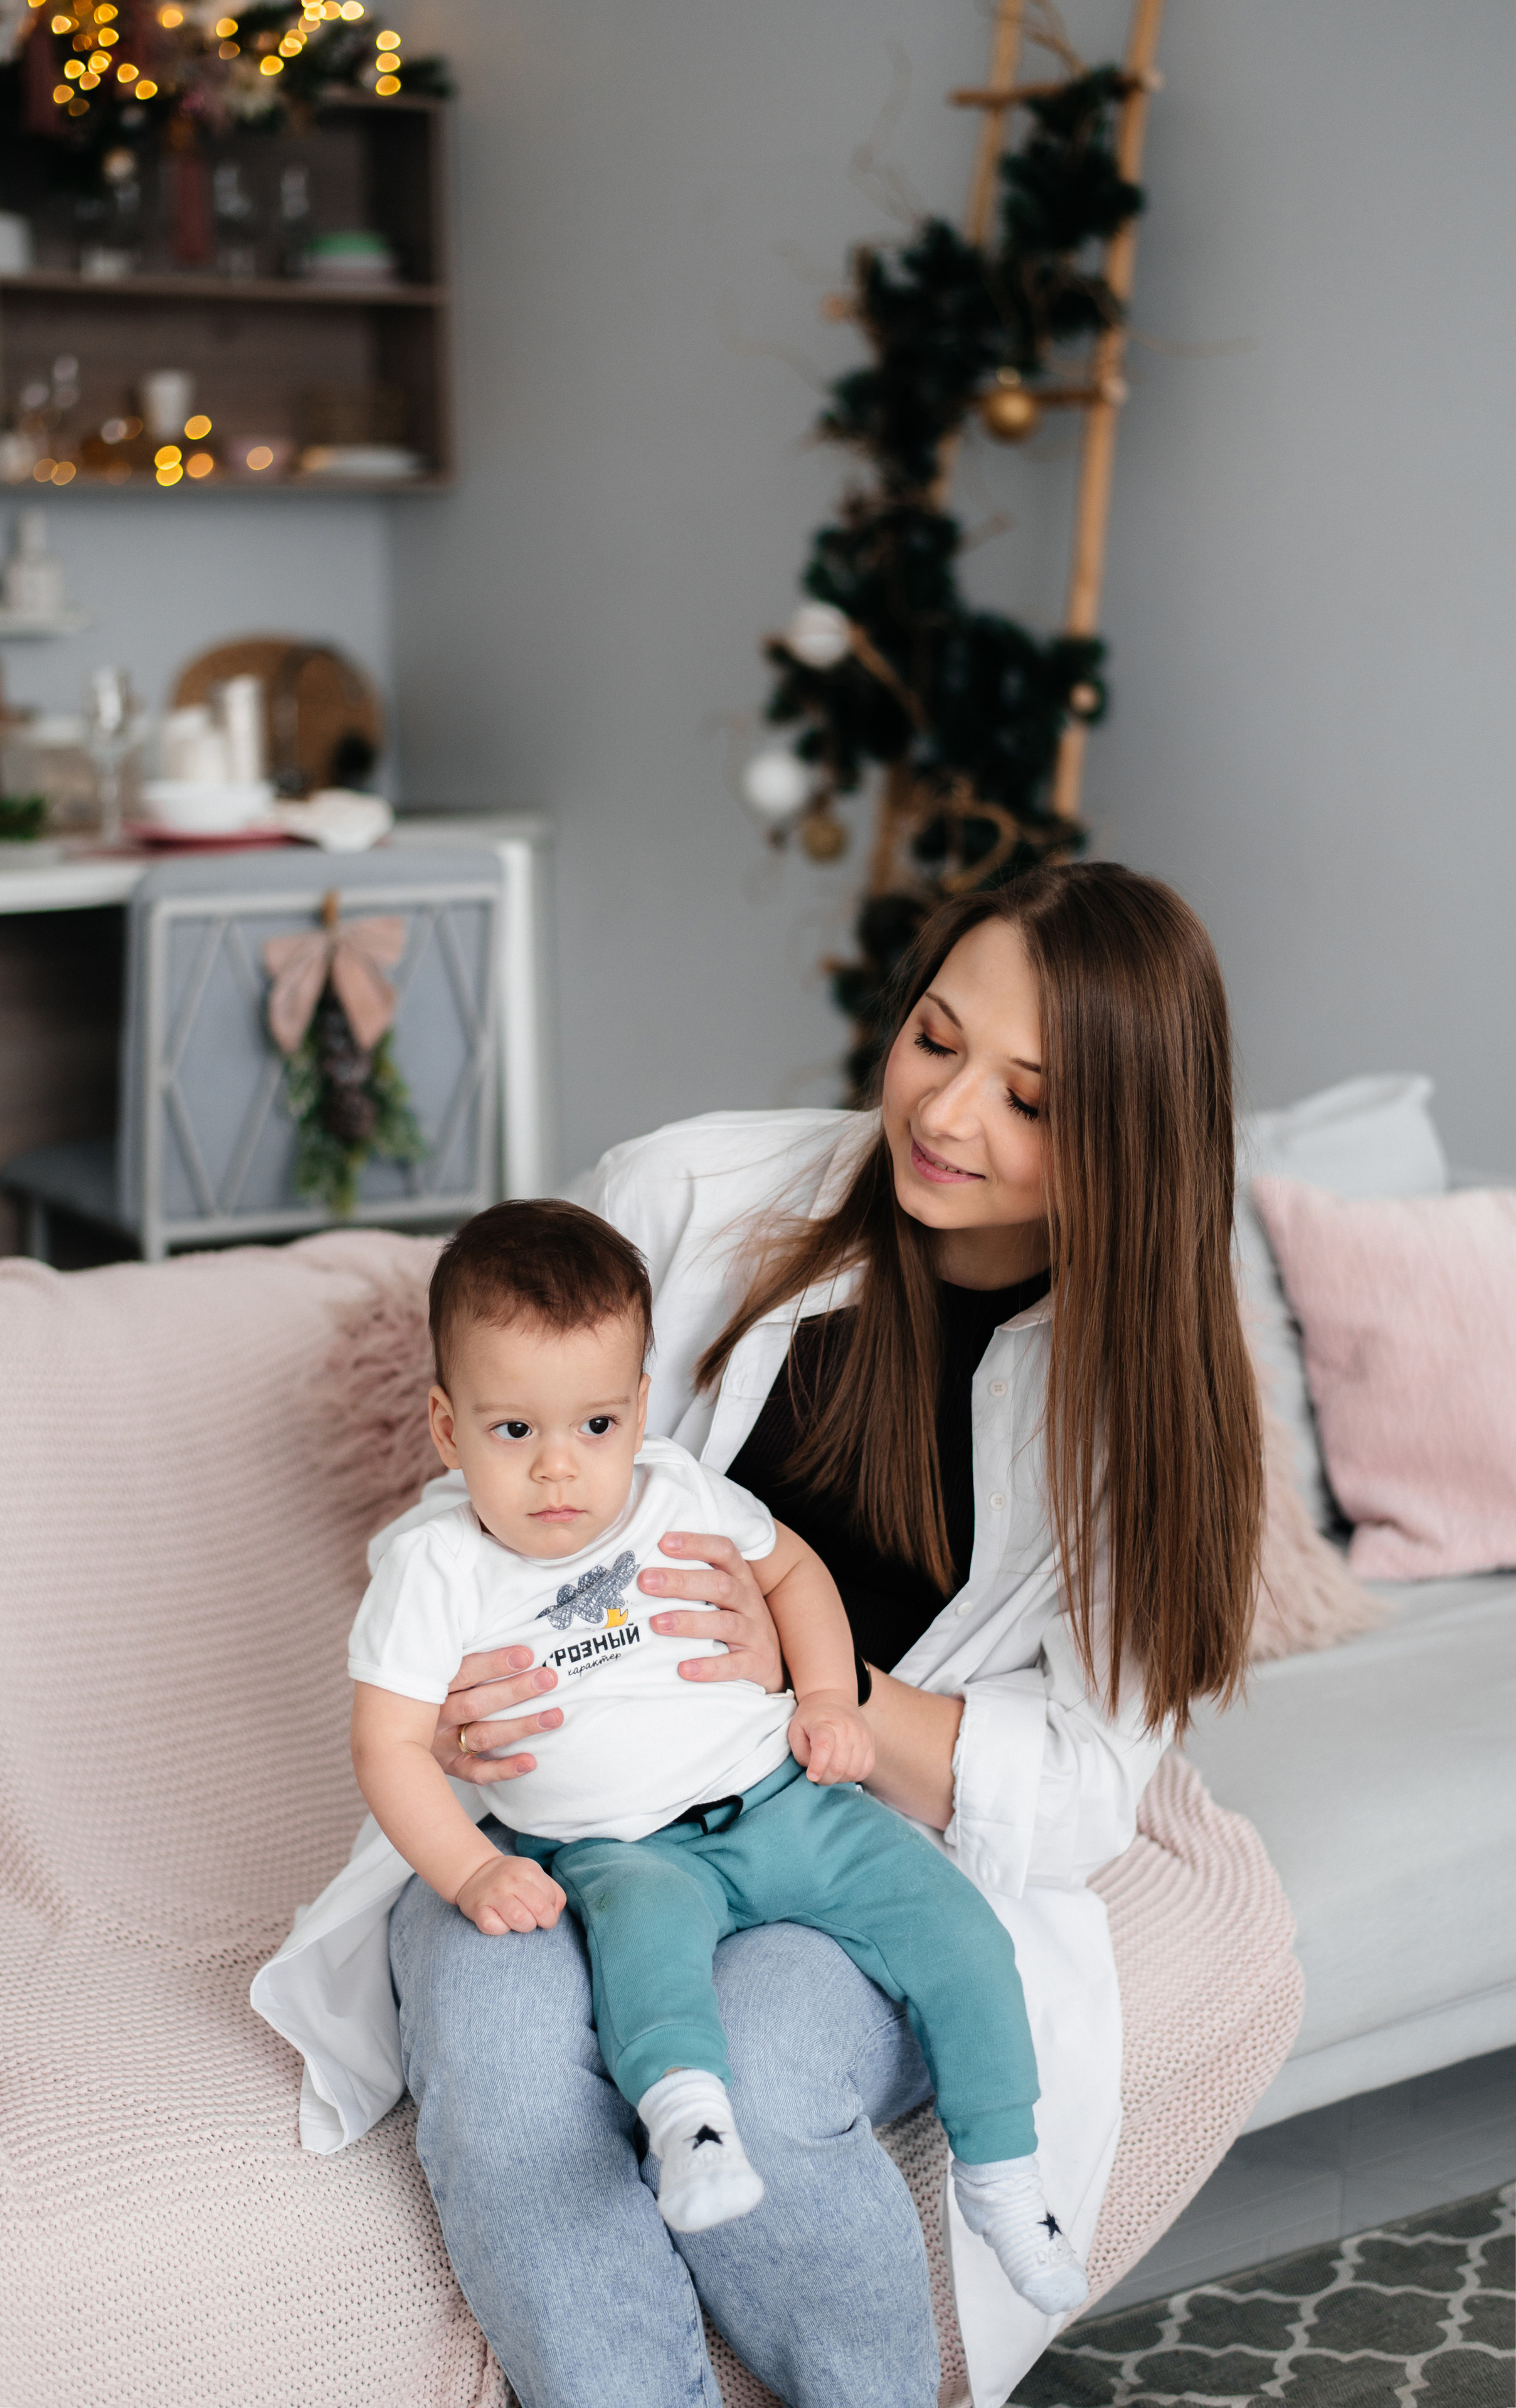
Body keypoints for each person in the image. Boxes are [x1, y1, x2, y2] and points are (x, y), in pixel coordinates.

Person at [251, 860, 1263, 2408]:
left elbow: (1082, 1790)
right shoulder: (687, 1195)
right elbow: (470, 1490)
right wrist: (457, 1702)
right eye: (933, 1041)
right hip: (570, 1818)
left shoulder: (1141, 1406)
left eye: (1030, 1101)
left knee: (763, 2069)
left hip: (838, 1836)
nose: (943, 1116)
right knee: (505, 2052)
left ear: (1127, 1140)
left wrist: (823, 1683)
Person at [346, 1198, 1087, 2306]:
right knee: (648, 1968)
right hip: (619, 1848)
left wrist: (830, 1697)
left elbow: (793, 1572)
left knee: (954, 1927)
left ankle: (1006, 2177)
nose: (561, 1471)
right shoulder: (435, 1567)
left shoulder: (674, 1491)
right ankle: (692, 2135)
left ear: (640, 1411)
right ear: (450, 1431)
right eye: (516, 1434)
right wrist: (475, 1866)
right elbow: (390, 1742)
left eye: (595, 1427)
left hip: (781, 1798)